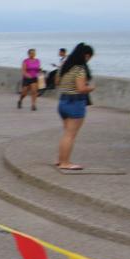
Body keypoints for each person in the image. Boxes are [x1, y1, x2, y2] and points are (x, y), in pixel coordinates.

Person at [55, 43, 96, 171]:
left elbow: (56, 82)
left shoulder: (65, 67)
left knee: (66, 133)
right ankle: (65, 162)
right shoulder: (79, 69)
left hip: (63, 102)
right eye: (89, 57)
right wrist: (91, 88)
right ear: (86, 55)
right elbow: (81, 88)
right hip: (75, 103)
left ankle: (61, 159)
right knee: (70, 135)